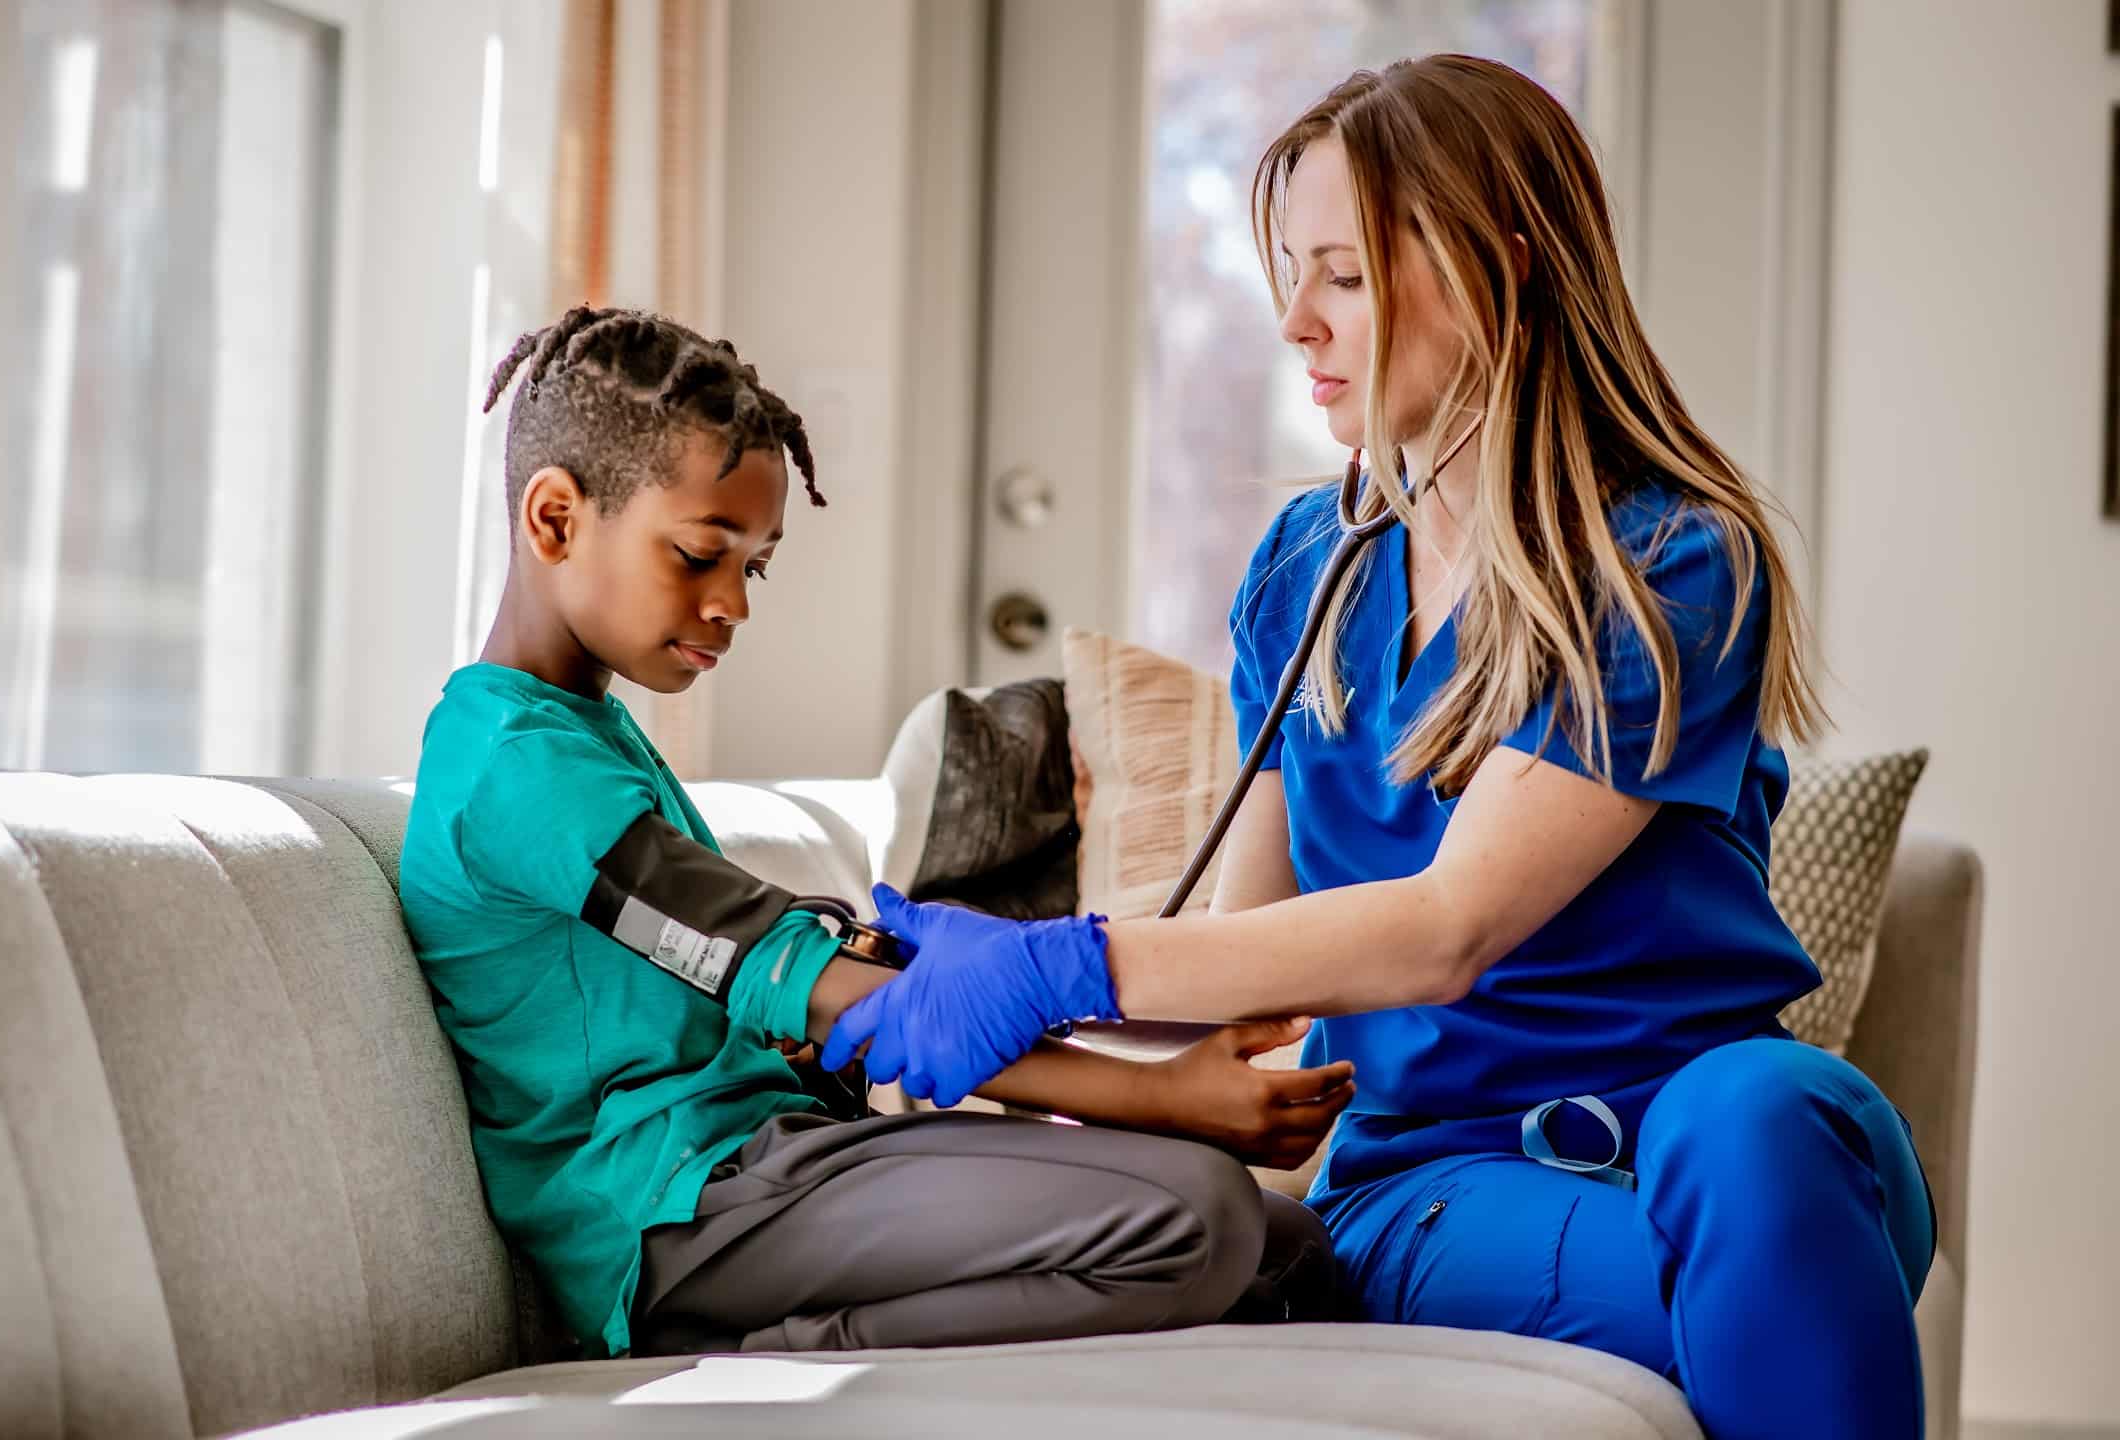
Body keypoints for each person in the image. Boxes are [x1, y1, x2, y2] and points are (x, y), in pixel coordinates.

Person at [825, 58, 1935, 1440]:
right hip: (1444, 1179)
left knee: (1766, 1116)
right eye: (1290, 272)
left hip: (1746, 1144)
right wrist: (978, 986)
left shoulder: (1672, 564)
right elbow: (1258, 965)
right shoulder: (1307, 571)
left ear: (1498, 272)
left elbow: (1445, 928)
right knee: (1777, 1300)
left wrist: (1061, 959)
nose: (1294, 321)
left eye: (1342, 275)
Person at [396, 306, 1351, 1362]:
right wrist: (1159, 1096)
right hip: (673, 1214)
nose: (732, 607)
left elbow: (827, 991)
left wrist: (1149, 1088)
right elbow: (849, 998)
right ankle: (793, 1354)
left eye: (750, 569)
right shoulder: (515, 770)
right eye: (701, 555)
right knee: (1202, 1219)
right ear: (555, 519)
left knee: (1291, 1249)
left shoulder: (584, 732)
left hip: (776, 1159)